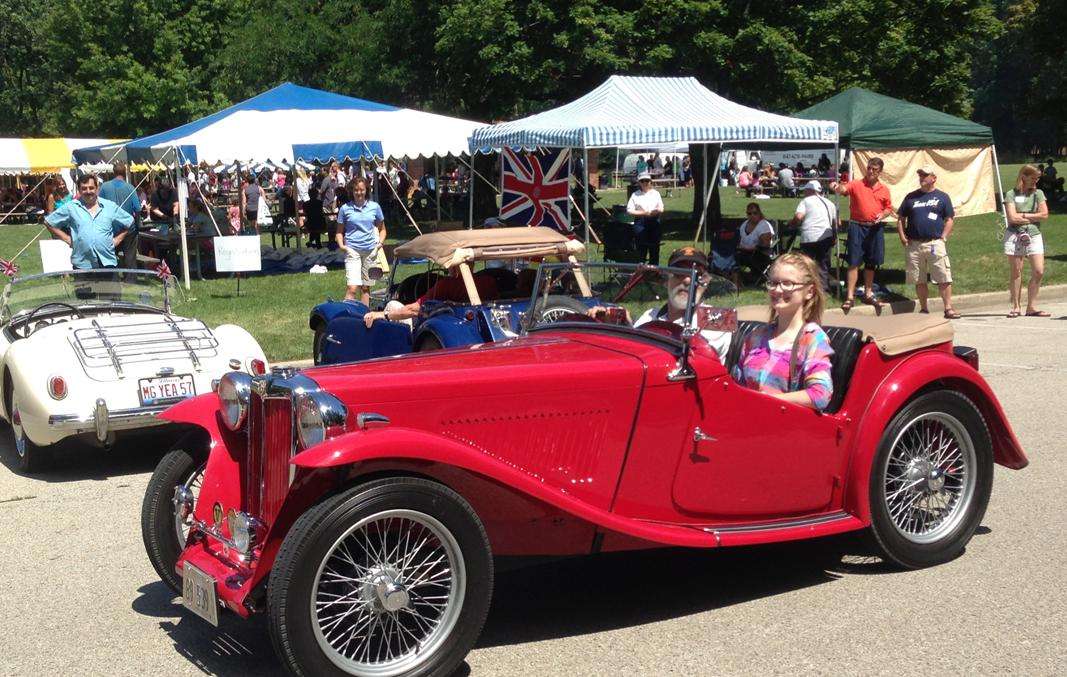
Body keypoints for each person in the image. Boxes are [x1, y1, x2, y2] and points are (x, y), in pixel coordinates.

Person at [584, 247, 733, 361]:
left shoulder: (721, 317)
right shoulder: (650, 315)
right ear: (666, 281)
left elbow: (696, 359)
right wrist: (618, 327)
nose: (688, 280)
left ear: (706, 283)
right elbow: (634, 354)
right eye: (679, 273)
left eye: (697, 275)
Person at [732, 252, 834, 411]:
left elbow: (820, 395)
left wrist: (767, 401)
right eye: (773, 283)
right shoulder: (756, 337)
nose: (777, 290)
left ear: (809, 291)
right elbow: (735, 383)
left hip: (784, 422)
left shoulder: (813, 338)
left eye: (787, 283)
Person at [829, 157, 893, 311]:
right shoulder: (857, 184)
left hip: (875, 228)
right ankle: (850, 297)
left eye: (875, 170)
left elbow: (888, 208)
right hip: (857, 226)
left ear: (880, 172)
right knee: (854, 262)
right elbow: (844, 189)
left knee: (871, 262)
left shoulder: (884, 189)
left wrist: (883, 215)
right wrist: (836, 186)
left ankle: (868, 293)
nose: (870, 171)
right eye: (869, 168)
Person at [896, 167, 958, 318]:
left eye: (925, 175)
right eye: (920, 175)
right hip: (914, 244)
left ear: (934, 178)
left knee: (943, 277)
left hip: (935, 243)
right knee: (919, 279)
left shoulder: (942, 197)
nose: (922, 177)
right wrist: (903, 237)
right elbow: (901, 218)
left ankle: (948, 308)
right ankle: (924, 309)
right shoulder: (911, 197)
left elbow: (949, 219)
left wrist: (943, 237)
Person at [45, 174, 133, 269]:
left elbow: (130, 221)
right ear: (79, 190)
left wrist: (118, 239)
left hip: (107, 262)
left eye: (91, 188)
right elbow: (49, 222)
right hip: (82, 264)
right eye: (84, 188)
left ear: (97, 188)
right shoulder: (71, 207)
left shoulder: (109, 206)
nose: (88, 191)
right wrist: (67, 239)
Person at [363, 266, 499, 327]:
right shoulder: (489, 281)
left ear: (452, 266)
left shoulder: (446, 284)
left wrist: (382, 314)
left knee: (392, 305)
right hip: (482, 323)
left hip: (446, 323)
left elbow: (414, 310)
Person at [1004, 165, 1049, 317]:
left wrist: (1023, 215)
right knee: (1016, 271)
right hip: (1015, 235)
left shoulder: (1038, 193)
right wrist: (1033, 216)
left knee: (1038, 270)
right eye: (1033, 178)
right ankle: (1016, 306)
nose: (1035, 181)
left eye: (1037, 178)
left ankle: (1031, 307)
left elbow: (1044, 214)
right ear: (1023, 177)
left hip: (1034, 234)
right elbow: (1012, 218)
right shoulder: (1011, 194)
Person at [336, 177, 387, 305]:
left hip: (370, 251)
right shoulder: (345, 209)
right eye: (356, 190)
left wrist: (379, 244)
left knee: (365, 287)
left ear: (366, 190)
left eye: (362, 190)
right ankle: (347, 313)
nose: (359, 193)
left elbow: (382, 229)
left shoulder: (375, 207)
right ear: (352, 191)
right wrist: (342, 246)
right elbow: (339, 232)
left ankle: (364, 314)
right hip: (352, 251)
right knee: (352, 288)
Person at [789, 180, 837, 292]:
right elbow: (836, 223)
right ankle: (823, 288)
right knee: (823, 263)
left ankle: (807, 287)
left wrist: (792, 223)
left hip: (809, 236)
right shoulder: (830, 203)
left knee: (807, 263)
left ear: (810, 190)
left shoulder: (806, 201)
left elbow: (799, 217)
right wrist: (834, 237)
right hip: (826, 236)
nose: (804, 193)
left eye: (805, 190)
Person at [98, 162, 142, 269]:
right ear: (125, 172)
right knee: (130, 258)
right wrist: (137, 225)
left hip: (110, 228)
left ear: (113, 172)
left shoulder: (104, 187)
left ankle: (111, 276)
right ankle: (130, 277)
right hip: (127, 228)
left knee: (109, 257)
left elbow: (98, 205)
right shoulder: (130, 188)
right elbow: (137, 208)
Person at [627, 172, 664, 265]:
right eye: (642, 181)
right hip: (640, 222)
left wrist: (656, 211)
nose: (645, 183)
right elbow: (629, 210)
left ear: (650, 182)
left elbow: (661, 208)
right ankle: (641, 270)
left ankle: (654, 270)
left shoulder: (656, 193)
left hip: (654, 221)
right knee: (641, 249)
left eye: (647, 181)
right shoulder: (635, 195)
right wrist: (643, 213)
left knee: (654, 249)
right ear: (639, 182)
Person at [736, 202, 775, 281]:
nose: (752, 215)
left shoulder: (764, 225)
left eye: (755, 213)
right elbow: (739, 240)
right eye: (749, 213)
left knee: (733, 258)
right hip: (744, 252)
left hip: (759, 255)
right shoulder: (744, 224)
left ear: (759, 213)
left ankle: (734, 277)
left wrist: (749, 249)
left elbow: (765, 246)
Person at [294, 165, 311, 235]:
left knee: (300, 217)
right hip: (307, 199)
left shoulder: (297, 181)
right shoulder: (308, 180)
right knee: (307, 216)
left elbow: (300, 192)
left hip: (300, 200)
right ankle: (308, 231)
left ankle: (303, 233)